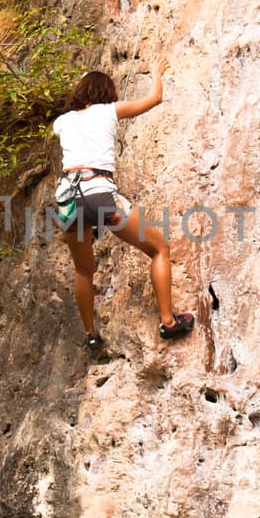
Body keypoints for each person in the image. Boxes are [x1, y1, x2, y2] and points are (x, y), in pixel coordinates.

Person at [52, 62, 195, 353]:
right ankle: (168, 321)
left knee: (83, 270)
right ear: (107, 92)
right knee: (159, 248)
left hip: (67, 200)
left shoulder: (62, 121)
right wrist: (158, 73)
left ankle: (91, 334)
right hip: (99, 196)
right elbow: (154, 99)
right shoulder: (109, 111)